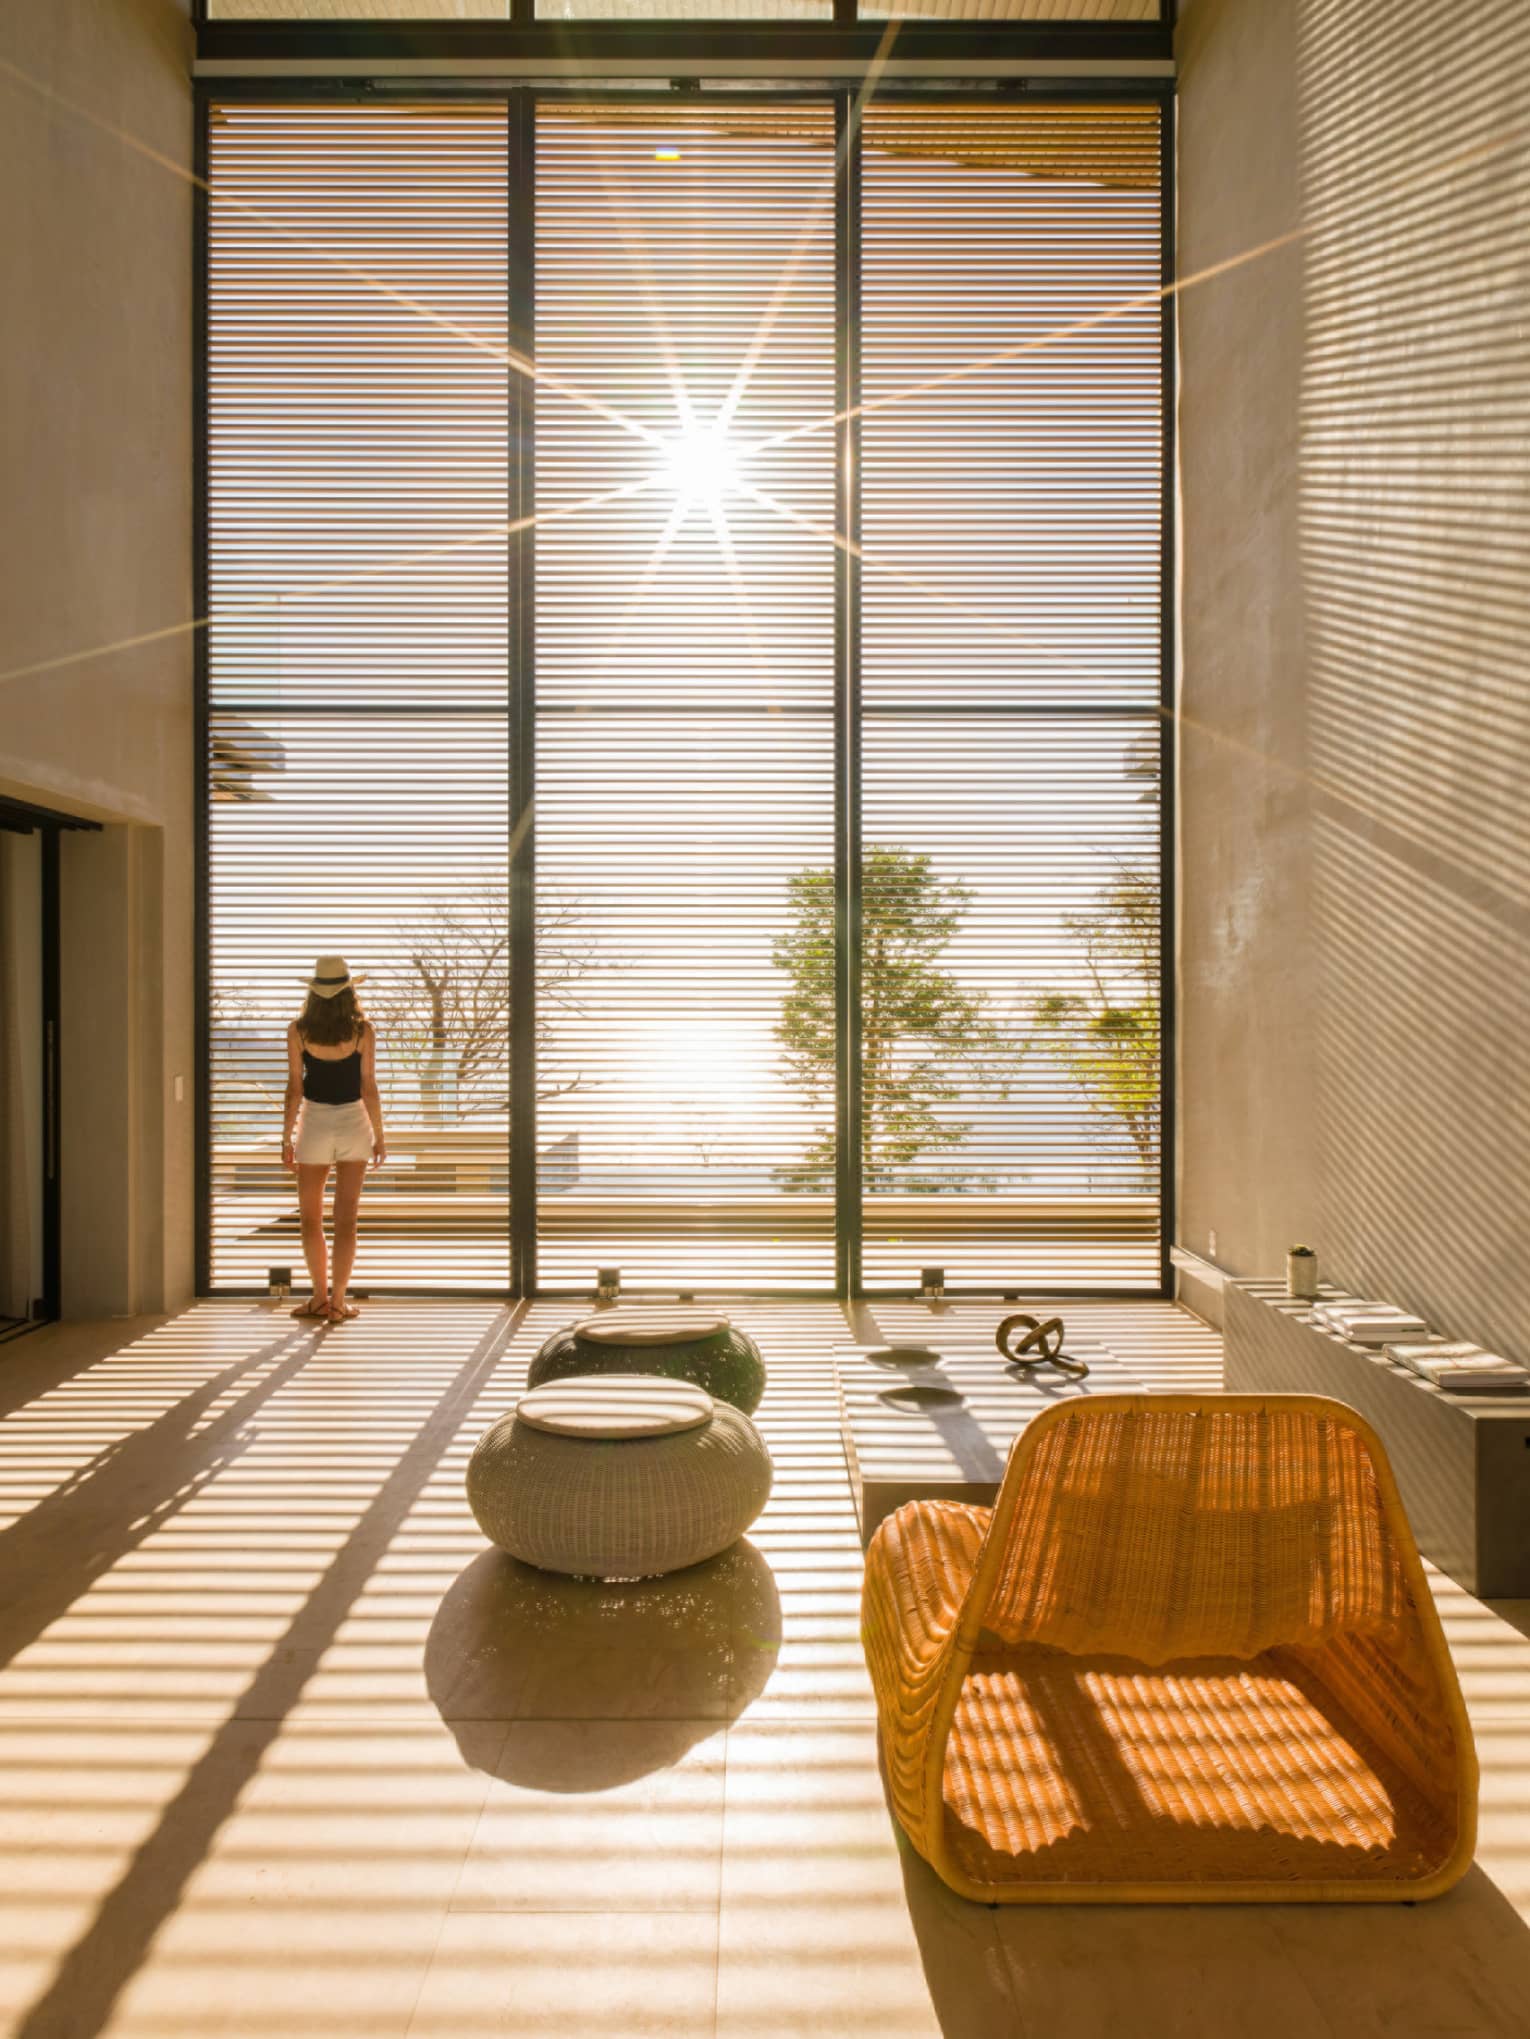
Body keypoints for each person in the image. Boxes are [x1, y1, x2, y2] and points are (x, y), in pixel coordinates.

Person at [283, 956, 386, 1323]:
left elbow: (294, 1089)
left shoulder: (298, 1030)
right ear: (348, 992)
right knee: (347, 1219)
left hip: (313, 1124)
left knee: (311, 1219)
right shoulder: (363, 1031)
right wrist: (379, 1136)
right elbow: (369, 1087)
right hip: (354, 1123)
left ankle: (318, 1299)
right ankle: (339, 1303)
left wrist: (286, 1137)